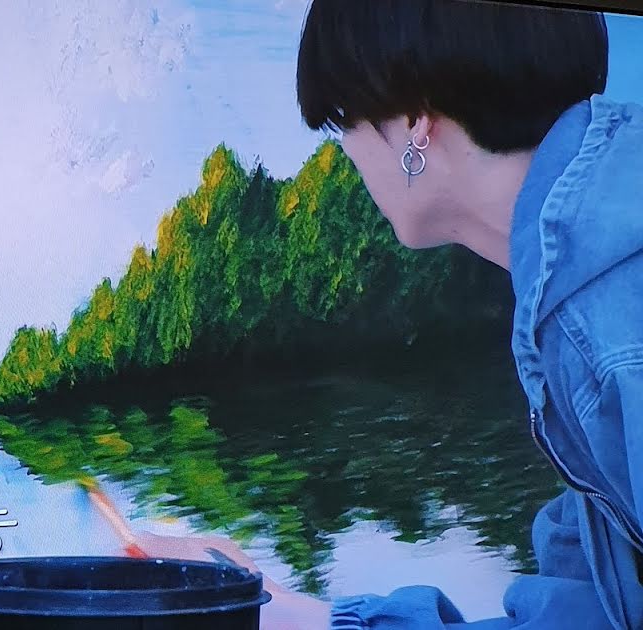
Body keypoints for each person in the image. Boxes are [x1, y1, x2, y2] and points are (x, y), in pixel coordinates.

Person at [133, 0, 643, 628]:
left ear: (413, 121)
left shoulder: (604, 317)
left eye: (341, 123)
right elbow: (595, 610)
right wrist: (298, 616)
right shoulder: (578, 280)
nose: (347, 154)